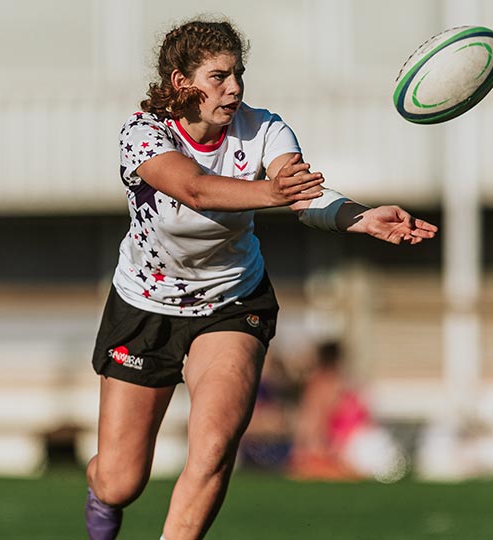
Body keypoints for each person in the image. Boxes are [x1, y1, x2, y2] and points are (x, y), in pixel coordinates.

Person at [83, 18, 436, 540]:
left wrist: (360, 217)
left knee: (214, 447)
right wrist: (272, 193)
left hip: (232, 301)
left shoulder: (265, 129)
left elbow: (303, 195)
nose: (234, 88)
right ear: (182, 83)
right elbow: (195, 189)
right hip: (146, 305)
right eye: (219, 76)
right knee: (119, 481)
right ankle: (102, 497)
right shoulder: (144, 134)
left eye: (239, 74)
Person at [288, 341, 407, 483]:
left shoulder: (327, 386)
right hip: (362, 446)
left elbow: (313, 426)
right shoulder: (340, 385)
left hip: (356, 447)